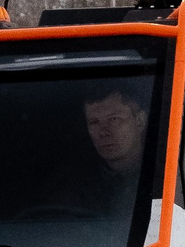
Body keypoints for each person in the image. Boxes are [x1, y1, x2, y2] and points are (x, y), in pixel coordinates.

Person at [49, 89, 150, 223]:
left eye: (114, 119)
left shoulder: (163, 179)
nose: (103, 132)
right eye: (94, 122)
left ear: (140, 121)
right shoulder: (75, 184)